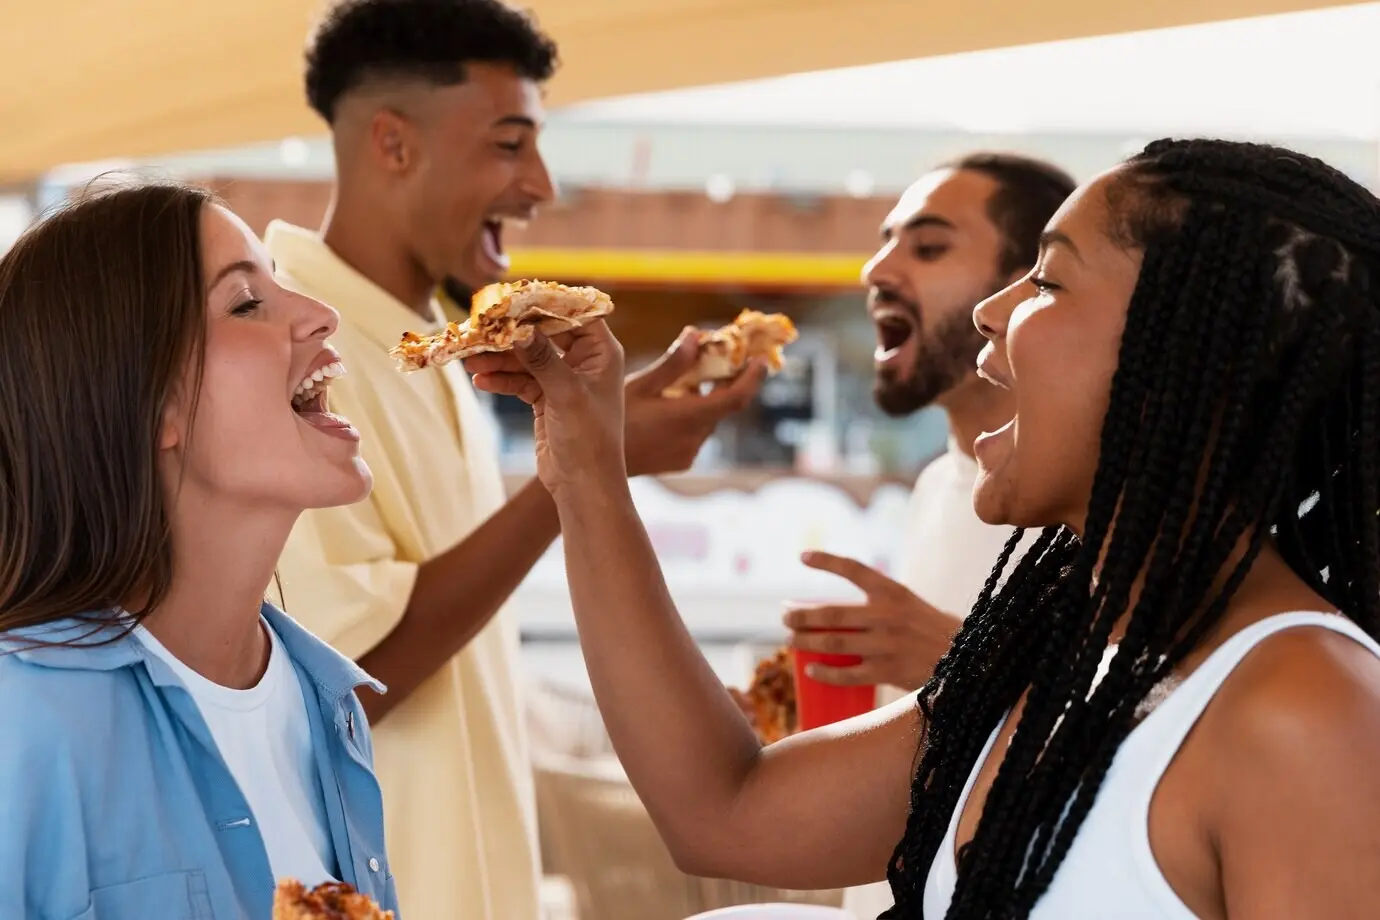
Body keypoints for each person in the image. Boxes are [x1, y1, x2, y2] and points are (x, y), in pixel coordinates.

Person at [467, 137, 1380, 919]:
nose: (993, 310)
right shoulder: (1061, 661)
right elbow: (725, 810)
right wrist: (586, 469)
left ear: (1189, 363)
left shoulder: (1308, 714)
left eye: (1049, 280)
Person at [266, 2, 763, 917]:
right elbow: (346, 682)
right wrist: (584, 465)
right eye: (508, 144)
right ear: (393, 143)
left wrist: (602, 439)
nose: (541, 186)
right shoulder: (289, 344)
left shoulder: (438, 355)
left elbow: (448, 606)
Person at [0, 182, 396, 919]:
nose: (321, 314)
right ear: (151, 402)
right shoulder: (22, 722)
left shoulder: (327, 704)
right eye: (247, 302)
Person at [782, 153, 1072, 918]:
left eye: (929, 246)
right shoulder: (935, 488)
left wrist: (958, 662)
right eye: (884, 241)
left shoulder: (1090, 510)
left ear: (1025, 289)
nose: (877, 267)